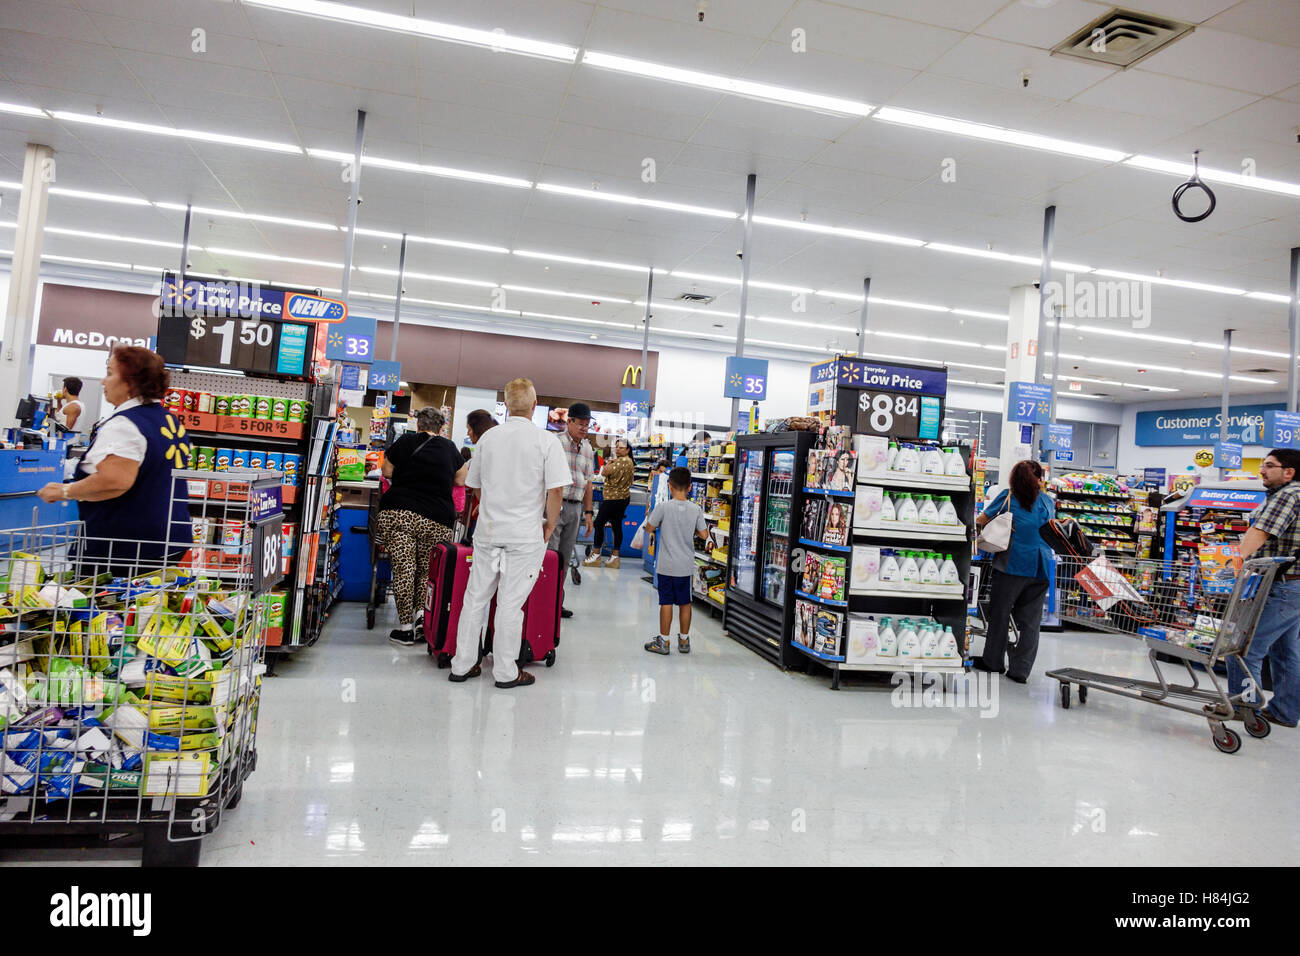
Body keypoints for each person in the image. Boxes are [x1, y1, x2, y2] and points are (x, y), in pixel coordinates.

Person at [449, 378, 569, 689]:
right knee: (510, 604)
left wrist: (483, 510)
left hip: (488, 532)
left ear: (505, 405)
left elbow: (473, 485)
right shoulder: (546, 441)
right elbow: (555, 490)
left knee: (475, 599)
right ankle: (505, 672)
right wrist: (551, 524)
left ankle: (462, 665)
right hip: (525, 534)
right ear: (534, 404)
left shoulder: (488, 439)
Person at [36, 347, 190, 570]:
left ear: (130, 381)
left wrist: (62, 491)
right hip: (169, 538)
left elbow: (114, 481)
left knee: (98, 603)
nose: (102, 381)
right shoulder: (168, 420)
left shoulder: (125, 424)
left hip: (123, 547)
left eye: (110, 373)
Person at [375, 407, 467, 646]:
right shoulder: (450, 448)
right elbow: (461, 479)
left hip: (401, 513)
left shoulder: (405, 441)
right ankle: (421, 618)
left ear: (419, 425)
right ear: (441, 428)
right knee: (427, 571)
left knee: (405, 567)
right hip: (437, 518)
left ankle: (405, 628)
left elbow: (386, 471)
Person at [1227, 448, 1300, 727]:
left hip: (1281, 587)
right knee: (1286, 653)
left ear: (1288, 472)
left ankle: (1246, 708)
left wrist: (1232, 562)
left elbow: (1261, 532)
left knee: (1244, 649)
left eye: (1269, 466)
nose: (1262, 470)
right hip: (1294, 586)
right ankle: (1285, 711)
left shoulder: (1287, 495)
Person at [973, 459, 1055, 683]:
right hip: (1041, 566)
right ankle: (1020, 671)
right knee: (1030, 621)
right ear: (1040, 479)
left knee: (999, 613)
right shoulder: (1048, 502)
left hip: (1013, 563)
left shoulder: (1008, 496)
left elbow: (982, 520)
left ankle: (993, 662)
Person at [643, 466, 708, 656]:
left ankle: (663, 642)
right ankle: (685, 640)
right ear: (690, 487)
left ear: (669, 486)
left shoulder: (663, 507)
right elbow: (704, 534)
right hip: (685, 566)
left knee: (666, 603)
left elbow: (649, 528)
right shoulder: (695, 509)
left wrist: (661, 525)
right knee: (685, 603)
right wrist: (692, 530)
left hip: (666, 566)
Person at [549, 401, 595, 614]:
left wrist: (588, 513)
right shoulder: (554, 442)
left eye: (587, 424)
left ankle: (556, 602)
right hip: (554, 505)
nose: (585, 428)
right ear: (570, 422)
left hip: (575, 509)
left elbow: (588, 483)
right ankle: (543, 600)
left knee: (565, 558)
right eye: (581, 423)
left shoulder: (588, 448)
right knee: (550, 555)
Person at [584, 437, 634, 569]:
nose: (617, 449)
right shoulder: (629, 462)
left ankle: (596, 554)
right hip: (623, 498)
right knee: (616, 525)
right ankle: (615, 557)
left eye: (621, 447)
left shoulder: (621, 461)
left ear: (627, 450)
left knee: (599, 523)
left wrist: (609, 463)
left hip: (613, 499)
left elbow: (604, 472)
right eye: (616, 447)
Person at [461, 409, 497, 545]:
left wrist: (484, 502)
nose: (467, 433)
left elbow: (474, 482)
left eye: (469, 429)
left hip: (486, 515)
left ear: (477, 429)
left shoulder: (483, 450)